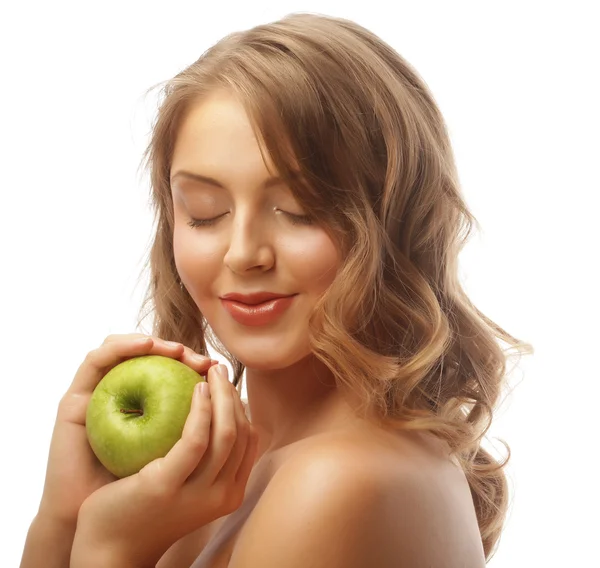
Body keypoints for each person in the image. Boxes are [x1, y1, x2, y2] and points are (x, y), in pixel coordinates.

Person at [20, 12, 533, 568]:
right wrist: (64, 514)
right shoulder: (201, 477)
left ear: (395, 222)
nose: (243, 253)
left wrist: (110, 548)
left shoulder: (336, 484)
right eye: (204, 213)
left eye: (298, 211)